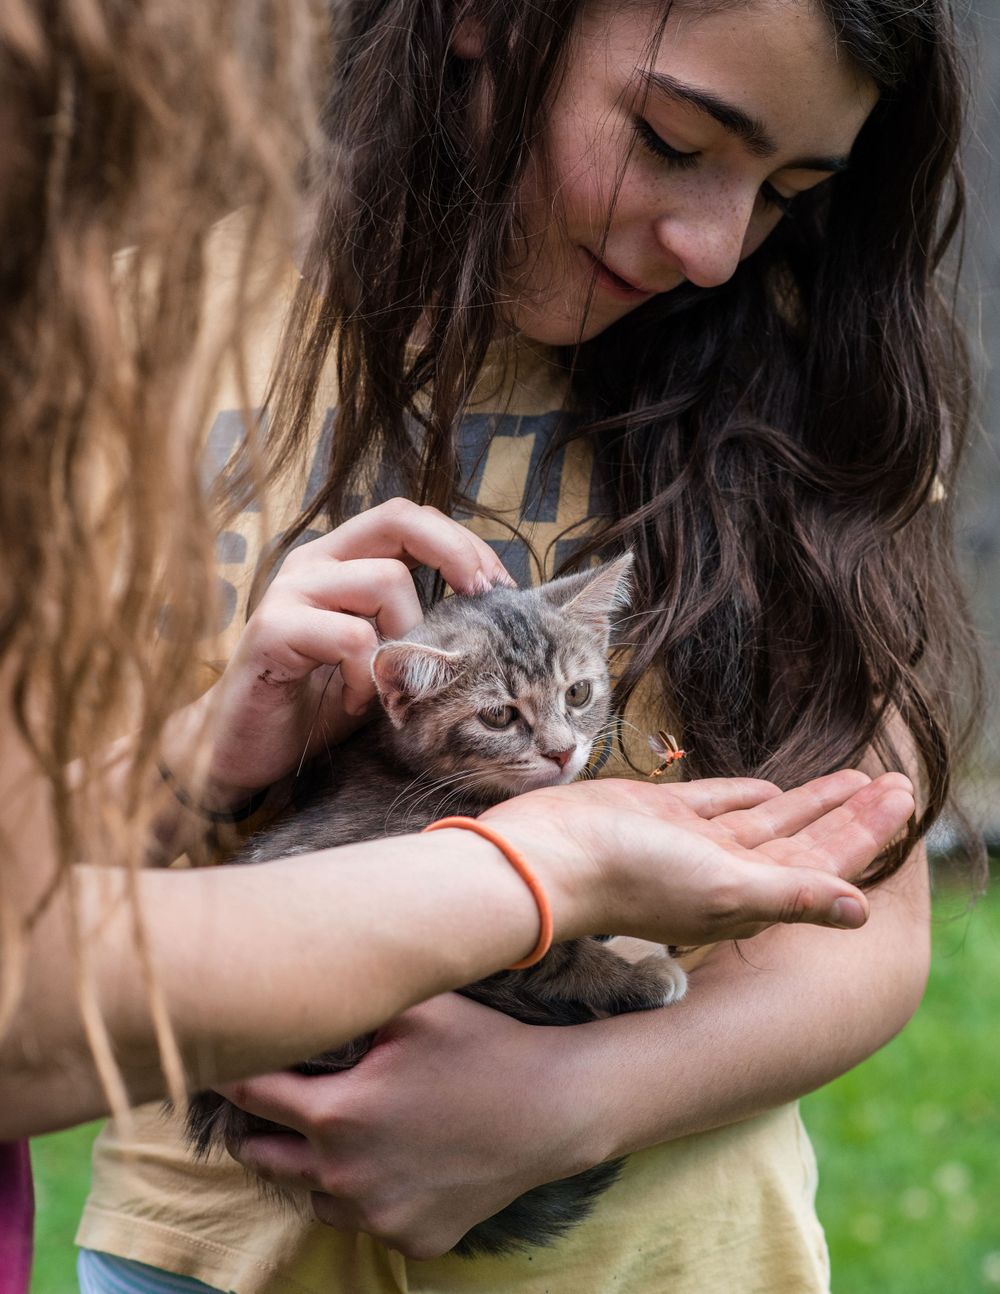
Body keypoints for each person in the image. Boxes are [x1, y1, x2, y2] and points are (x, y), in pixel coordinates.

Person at [70, 1, 984, 1293]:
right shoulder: (130, 328)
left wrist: (572, 1101)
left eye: (785, 190)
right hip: (207, 1256)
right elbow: (32, 920)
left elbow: (871, 931)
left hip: (669, 1262)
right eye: (672, 140)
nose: (715, 246)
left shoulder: (800, 367)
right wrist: (204, 759)